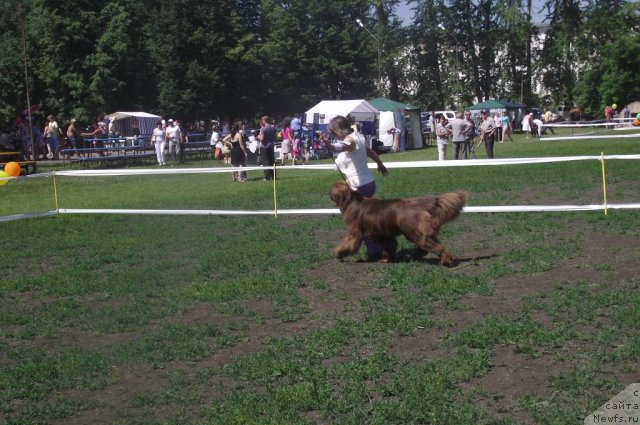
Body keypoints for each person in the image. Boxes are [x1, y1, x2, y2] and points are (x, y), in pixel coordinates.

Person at [321, 115, 389, 260]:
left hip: (359, 188)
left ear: (339, 130)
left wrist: (330, 146)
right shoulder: (358, 137)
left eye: (333, 132)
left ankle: (375, 250)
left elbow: (343, 146)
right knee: (366, 220)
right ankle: (378, 246)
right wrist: (380, 163)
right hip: (368, 184)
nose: (332, 135)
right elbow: (369, 152)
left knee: (359, 223)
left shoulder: (349, 140)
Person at [258, 115, 277, 181]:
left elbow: (262, 139)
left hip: (264, 147)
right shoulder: (273, 128)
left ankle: (267, 177)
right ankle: (273, 176)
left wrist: (258, 136)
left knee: (266, 162)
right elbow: (275, 138)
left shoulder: (263, 128)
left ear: (264, 121)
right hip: (271, 146)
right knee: (272, 161)